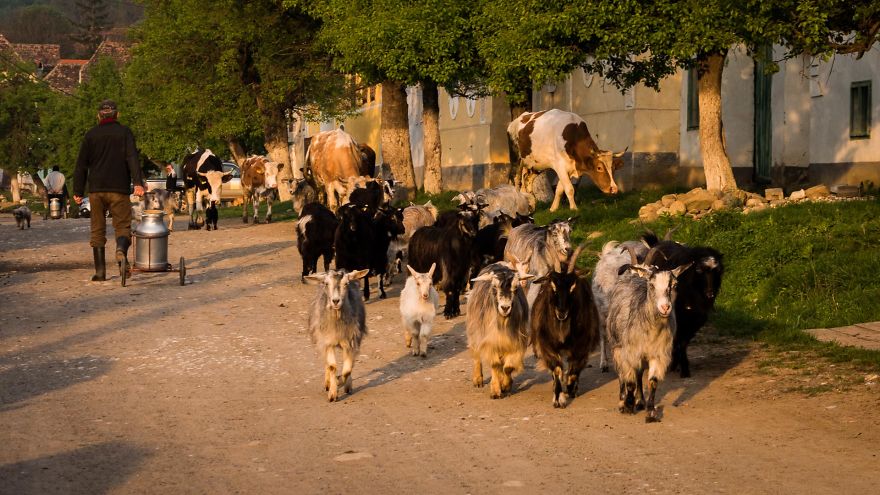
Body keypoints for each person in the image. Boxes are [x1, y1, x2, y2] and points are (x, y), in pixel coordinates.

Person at [73, 99, 145, 282]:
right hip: (118, 189)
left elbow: (81, 165)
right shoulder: (124, 133)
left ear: (99, 115)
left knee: (97, 230)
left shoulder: (90, 135)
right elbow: (132, 158)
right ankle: (121, 250)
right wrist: (138, 183)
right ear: (117, 115)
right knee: (122, 226)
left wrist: (78, 191)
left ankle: (100, 272)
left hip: (96, 190)